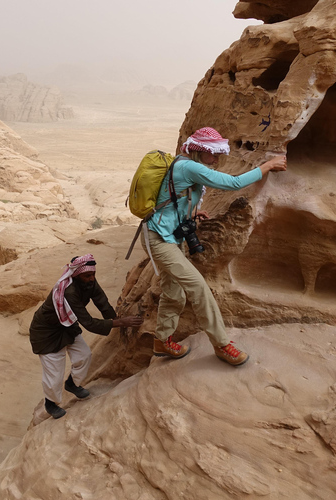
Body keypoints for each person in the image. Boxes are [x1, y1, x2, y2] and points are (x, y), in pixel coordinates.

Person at [143, 127, 287, 366]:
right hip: (160, 240)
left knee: (174, 292)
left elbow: (172, 196)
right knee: (198, 288)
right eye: (213, 154)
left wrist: (192, 212)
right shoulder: (190, 166)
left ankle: (162, 341)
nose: (217, 159)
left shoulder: (183, 163)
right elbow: (233, 183)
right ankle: (222, 345)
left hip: (169, 235)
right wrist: (268, 166)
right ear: (199, 151)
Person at [29, 254, 143, 419]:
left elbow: (101, 300)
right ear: (76, 275)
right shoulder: (69, 291)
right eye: (87, 275)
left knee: (84, 355)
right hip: (47, 332)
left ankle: (72, 384)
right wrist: (120, 323)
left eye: (93, 274)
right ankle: (50, 403)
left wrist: (115, 318)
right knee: (54, 374)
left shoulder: (88, 282)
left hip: (67, 325)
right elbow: (88, 323)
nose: (91, 279)